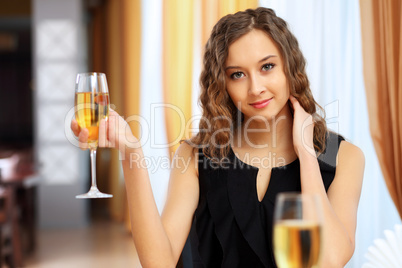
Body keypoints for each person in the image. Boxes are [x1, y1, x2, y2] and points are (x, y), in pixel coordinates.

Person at [71, 7, 364, 268]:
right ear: (222, 84)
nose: (255, 88)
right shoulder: (196, 155)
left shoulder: (345, 157)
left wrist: (307, 156)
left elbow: (330, 260)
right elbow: (158, 262)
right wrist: (131, 150)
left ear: (290, 67)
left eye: (267, 67)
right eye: (237, 74)